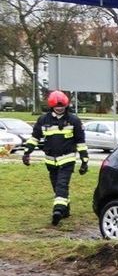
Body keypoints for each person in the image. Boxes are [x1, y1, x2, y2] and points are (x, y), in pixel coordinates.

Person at [21, 91, 89, 225]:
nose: (59, 109)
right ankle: (66, 209)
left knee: (61, 185)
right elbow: (35, 138)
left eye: (62, 107)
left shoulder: (73, 120)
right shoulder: (43, 120)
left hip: (67, 159)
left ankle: (57, 211)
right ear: (51, 106)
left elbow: (80, 142)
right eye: (57, 107)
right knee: (57, 187)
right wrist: (26, 152)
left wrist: (84, 161)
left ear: (66, 106)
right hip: (50, 161)